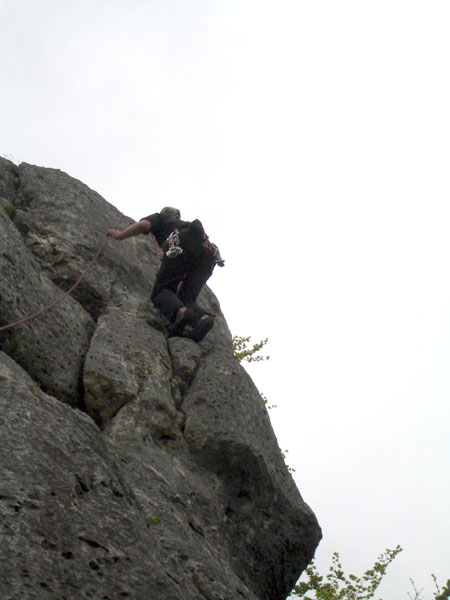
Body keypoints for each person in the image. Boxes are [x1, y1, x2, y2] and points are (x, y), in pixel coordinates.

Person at [107, 207, 224, 342]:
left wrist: (120, 235)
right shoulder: (184, 225)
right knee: (187, 298)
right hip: (209, 253)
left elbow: (144, 225)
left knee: (161, 291)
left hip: (180, 242)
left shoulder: (161, 217)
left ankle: (181, 313)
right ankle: (203, 319)